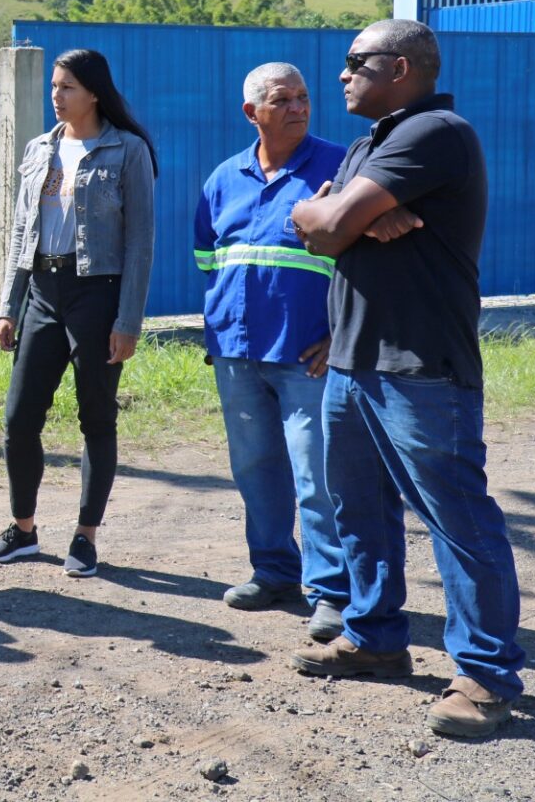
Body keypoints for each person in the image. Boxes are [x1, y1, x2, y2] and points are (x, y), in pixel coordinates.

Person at [289, 20, 525, 738]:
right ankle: (376, 637)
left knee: (457, 518)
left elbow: (327, 229)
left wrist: (337, 218)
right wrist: (333, 214)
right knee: (357, 506)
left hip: (422, 368)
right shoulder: (372, 143)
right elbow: (309, 219)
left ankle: (485, 675)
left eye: (354, 63)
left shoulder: (435, 133)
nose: (340, 76)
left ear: (399, 67)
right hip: (354, 362)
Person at [0, 48, 156, 578]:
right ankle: (24, 530)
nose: (56, 97)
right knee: (19, 419)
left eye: (67, 89)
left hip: (97, 294)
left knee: (96, 418)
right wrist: (8, 307)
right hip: (43, 291)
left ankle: (85, 536)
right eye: (54, 87)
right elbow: (20, 233)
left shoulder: (127, 151)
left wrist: (127, 322)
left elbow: (140, 243)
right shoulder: (40, 149)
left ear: (94, 93)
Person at [194, 63, 350, 641]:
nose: (298, 108)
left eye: (303, 98)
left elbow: (369, 265)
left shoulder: (337, 167)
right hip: (236, 354)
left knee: (318, 475)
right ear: (251, 112)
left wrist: (341, 335)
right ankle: (274, 571)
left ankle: (333, 591)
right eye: (282, 100)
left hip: (310, 356)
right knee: (255, 468)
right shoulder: (222, 179)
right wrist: (220, 332)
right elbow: (210, 262)